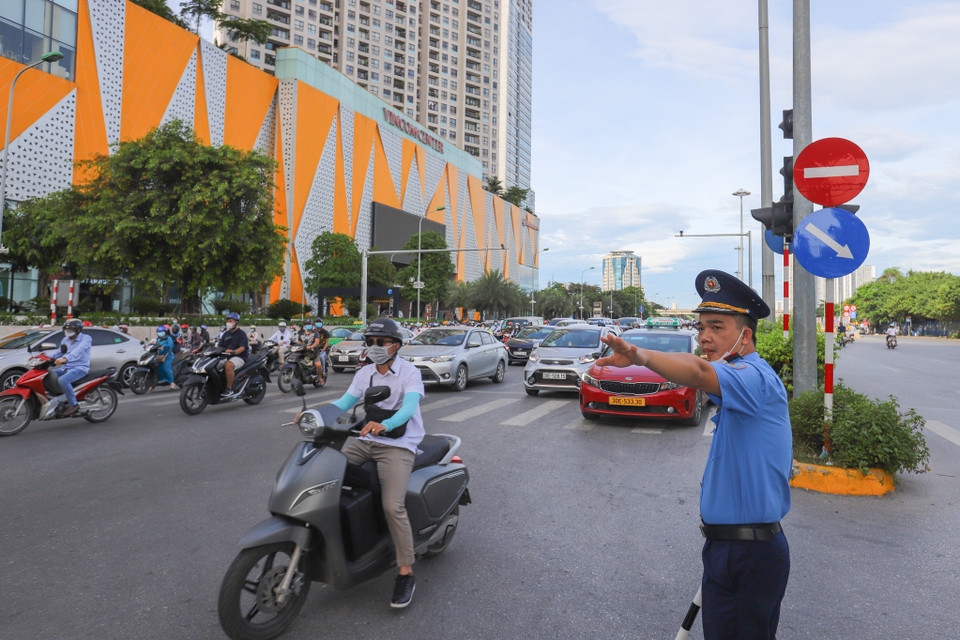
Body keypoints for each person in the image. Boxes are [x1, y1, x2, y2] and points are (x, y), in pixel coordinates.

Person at [598, 269, 792, 640]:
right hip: (729, 547)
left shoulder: (754, 377)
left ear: (745, 335)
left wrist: (639, 354)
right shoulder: (736, 376)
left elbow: (699, 373)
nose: (704, 336)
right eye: (701, 327)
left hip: (747, 552)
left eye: (717, 327)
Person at [327, 317, 424, 608]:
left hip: (398, 444)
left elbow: (409, 408)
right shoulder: (365, 373)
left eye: (381, 342)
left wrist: (387, 424)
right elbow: (343, 403)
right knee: (326, 475)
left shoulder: (410, 372)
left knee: (392, 505)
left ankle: (405, 571)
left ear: (395, 346)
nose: (374, 347)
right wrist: (315, 415)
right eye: (370, 342)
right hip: (366, 441)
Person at [51, 319, 92, 418]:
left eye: (71, 329)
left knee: (63, 380)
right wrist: (44, 358)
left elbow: (78, 351)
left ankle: (73, 404)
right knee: (47, 376)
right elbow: (59, 352)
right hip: (67, 367)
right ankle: (58, 399)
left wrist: (65, 358)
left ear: (78, 330)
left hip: (80, 368)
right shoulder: (65, 340)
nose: (68, 331)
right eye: (66, 329)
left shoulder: (86, 338)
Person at [218, 312, 249, 397]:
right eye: (227, 321)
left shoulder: (241, 334)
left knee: (228, 365)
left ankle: (229, 389)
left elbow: (242, 348)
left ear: (236, 322)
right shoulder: (226, 333)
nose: (228, 323)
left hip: (239, 357)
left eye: (230, 321)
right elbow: (220, 346)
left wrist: (233, 352)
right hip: (225, 356)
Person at [306, 319, 330, 384]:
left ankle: (323, 372)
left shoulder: (325, 332)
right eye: (316, 322)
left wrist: (323, 349)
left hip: (322, 349)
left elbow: (327, 342)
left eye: (319, 322)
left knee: (321, 358)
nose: (318, 323)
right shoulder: (313, 332)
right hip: (314, 349)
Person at [154, 325, 175, 390]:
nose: (160, 333)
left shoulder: (168, 338)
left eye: (161, 332)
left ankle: (172, 382)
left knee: (166, 368)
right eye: (158, 332)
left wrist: (165, 346)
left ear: (165, 332)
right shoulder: (158, 339)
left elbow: (170, 346)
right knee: (157, 368)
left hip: (167, 356)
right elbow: (155, 344)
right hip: (159, 356)